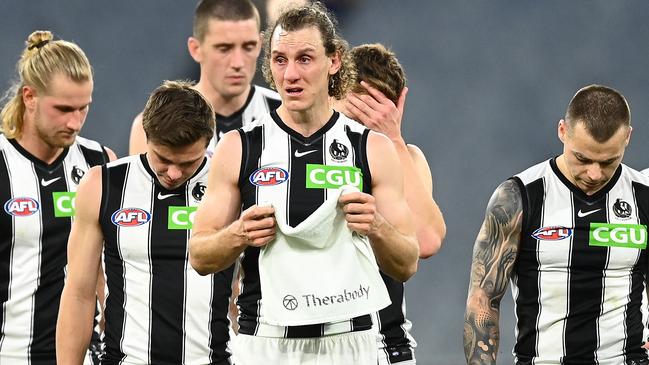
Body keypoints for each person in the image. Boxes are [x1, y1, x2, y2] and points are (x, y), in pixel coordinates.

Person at [188, 3, 419, 364]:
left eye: (305, 59)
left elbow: (407, 262)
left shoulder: (371, 148)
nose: (291, 74)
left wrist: (377, 226)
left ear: (335, 60)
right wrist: (239, 234)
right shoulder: (239, 147)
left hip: (349, 340)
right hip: (265, 342)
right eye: (280, 60)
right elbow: (199, 255)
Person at [463, 84, 649, 365]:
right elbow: (483, 299)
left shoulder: (643, 195)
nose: (595, 173)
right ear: (562, 131)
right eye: (582, 158)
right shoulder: (518, 197)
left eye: (608, 161)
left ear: (628, 139)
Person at [57, 81, 234, 365]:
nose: (174, 174)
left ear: (207, 143)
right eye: (163, 159)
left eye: (188, 163)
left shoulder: (228, 185)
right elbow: (79, 292)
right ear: (147, 136)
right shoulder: (102, 185)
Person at [0, 30, 115, 364]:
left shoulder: (100, 165)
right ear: (29, 97)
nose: (74, 122)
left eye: (83, 109)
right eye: (64, 109)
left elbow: (107, 268)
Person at [333, 43, 446, 365]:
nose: (357, 133)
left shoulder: (405, 159)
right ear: (330, 97)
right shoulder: (293, 155)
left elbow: (425, 241)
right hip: (306, 345)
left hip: (384, 345)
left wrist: (392, 140)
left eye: (372, 118)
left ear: (396, 108)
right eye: (351, 115)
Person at [128, 0, 281, 157]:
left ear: (260, 45)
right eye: (224, 49)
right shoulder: (153, 127)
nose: (238, 63)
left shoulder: (287, 115)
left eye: (248, 47)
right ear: (196, 49)